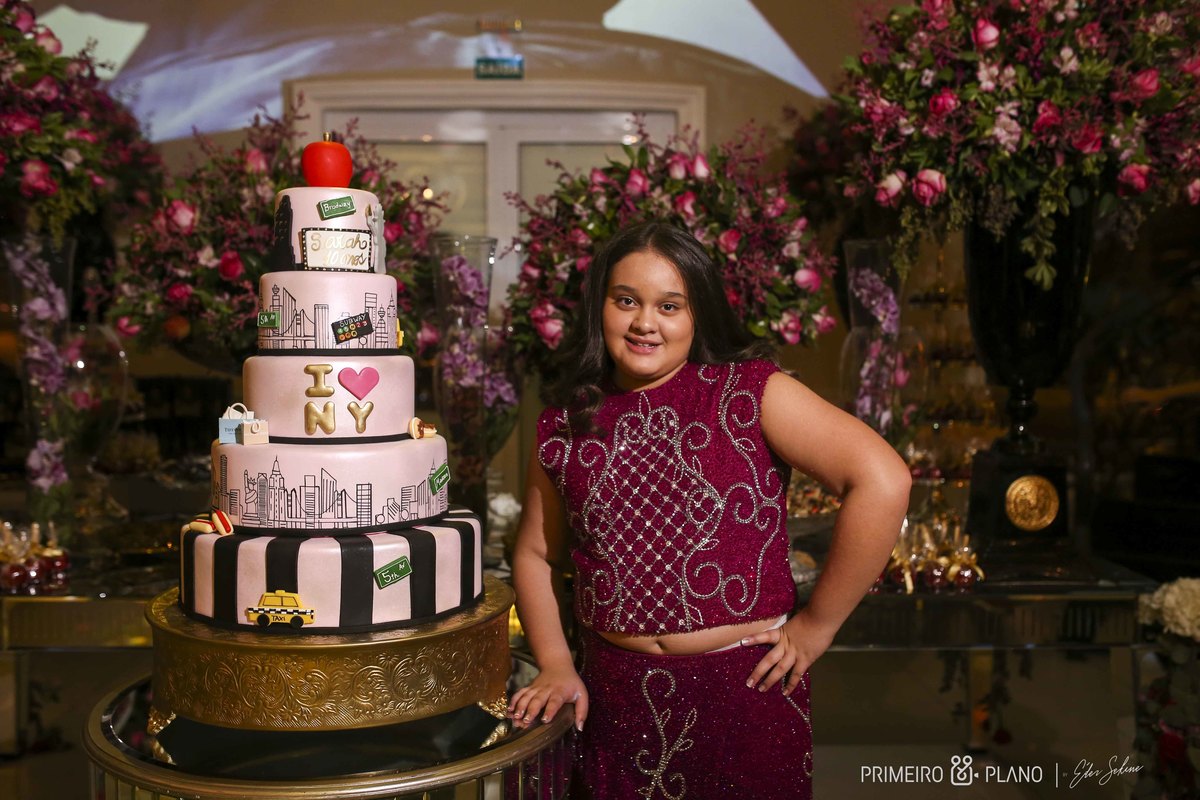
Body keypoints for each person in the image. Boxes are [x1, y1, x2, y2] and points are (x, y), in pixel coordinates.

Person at [509, 221, 911, 799]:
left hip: (746, 698)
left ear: (698, 314)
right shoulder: (565, 422)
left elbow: (884, 481)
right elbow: (535, 552)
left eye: (669, 306)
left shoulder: (749, 391)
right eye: (627, 301)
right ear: (599, 307)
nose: (645, 322)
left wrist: (817, 627)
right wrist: (554, 662)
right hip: (613, 703)